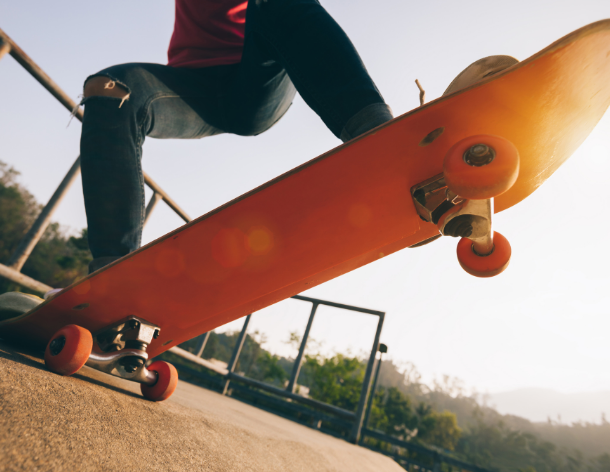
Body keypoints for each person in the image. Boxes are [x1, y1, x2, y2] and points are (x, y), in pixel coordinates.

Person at [79, 0, 518, 275]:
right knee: (111, 89)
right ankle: (110, 273)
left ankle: (388, 153)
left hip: (258, 79)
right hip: (193, 92)